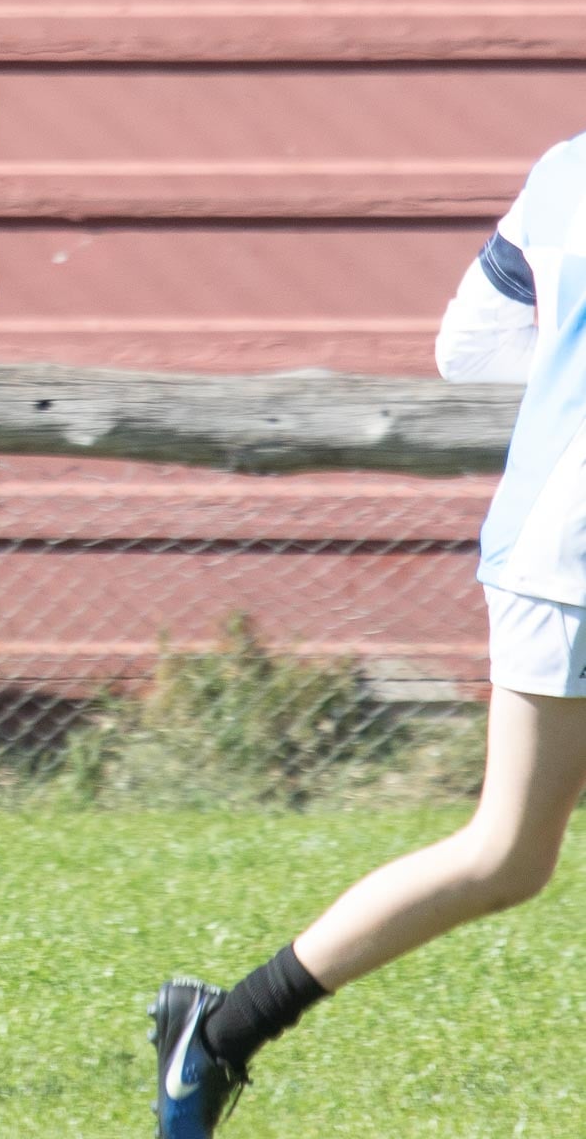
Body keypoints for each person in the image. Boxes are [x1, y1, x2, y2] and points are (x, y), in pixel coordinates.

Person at [150, 129, 586, 1137]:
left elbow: (466, 349)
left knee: (506, 858)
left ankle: (217, 1033)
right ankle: (217, 1036)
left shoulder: (566, 166)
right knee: (503, 854)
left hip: (545, 541)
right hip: (570, 566)